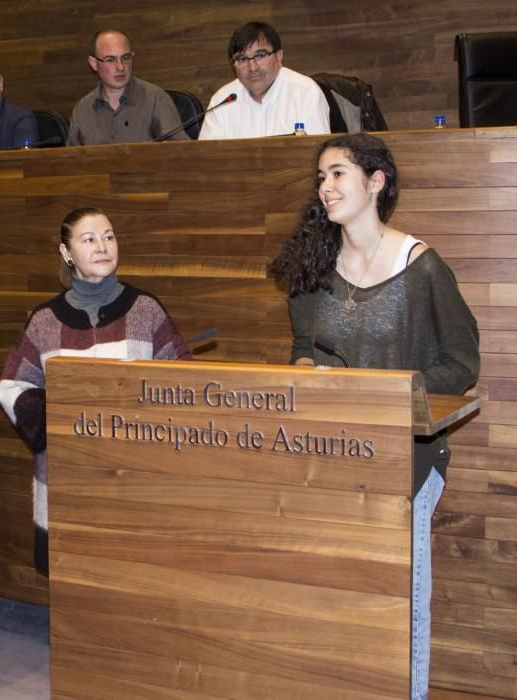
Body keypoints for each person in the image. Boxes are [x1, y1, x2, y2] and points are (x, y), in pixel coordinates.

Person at [269, 133, 479, 700]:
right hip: (334, 457)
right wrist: (307, 367)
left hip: (408, 460)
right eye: (321, 177)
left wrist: (381, 392)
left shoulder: (421, 266)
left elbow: (461, 362)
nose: (325, 187)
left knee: (402, 597)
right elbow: (301, 346)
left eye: (337, 173)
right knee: (339, 599)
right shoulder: (313, 265)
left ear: (375, 181)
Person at [0, 207, 192, 573]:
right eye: (89, 239)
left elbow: (184, 381)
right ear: (66, 253)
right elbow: (12, 386)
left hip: (135, 480)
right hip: (66, 478)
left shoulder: (145, 310)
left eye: (109, 236)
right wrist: (62, 413)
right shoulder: (44, 320)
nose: (103, 246)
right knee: (74, 583)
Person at [199, 21, 329, 140]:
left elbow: (318, 154)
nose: (252, 67)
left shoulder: (305, 92)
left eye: (260, 56)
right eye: (242, 59)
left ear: (279, 57)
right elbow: (207, 159)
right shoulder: (222, 100)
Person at [67, 30, 188, 146]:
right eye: (110, 59)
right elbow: (69, 162)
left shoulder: (156, 98)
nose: (120, 67)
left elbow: (182, 152)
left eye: (126, 58)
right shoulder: (82, 109)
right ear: (93, 63)